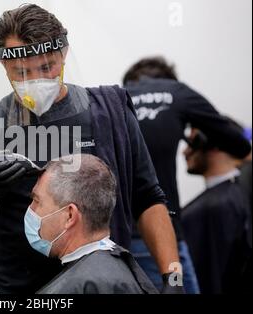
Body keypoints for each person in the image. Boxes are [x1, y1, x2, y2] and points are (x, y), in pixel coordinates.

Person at [0, 4, 181, 294]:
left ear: (64, 54)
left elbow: (148, 199)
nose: (36, 80)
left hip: (105, 284)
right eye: (21, 72)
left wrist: (172, 278)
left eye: (47, 67)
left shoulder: (110, 113)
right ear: (4, 67)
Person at [122, 57, 251, 293]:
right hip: (163, 241)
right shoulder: (176, 93)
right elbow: (239, 143)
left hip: (118, 240)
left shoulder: (114, 99)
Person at [31, 154, 158, 294]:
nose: (31, 210)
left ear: (70, 215)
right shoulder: (118, 267)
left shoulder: (83, 286)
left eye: (37, 201)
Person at [181, 126, 252, 294]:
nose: (185, 152)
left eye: (192, 143)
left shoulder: (215, 207)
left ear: (215, 145)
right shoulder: (237, 196)